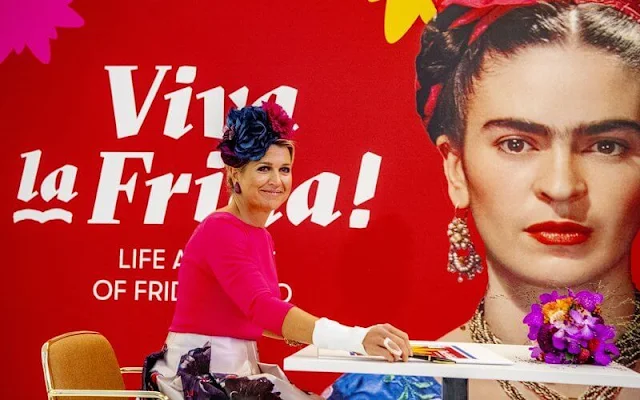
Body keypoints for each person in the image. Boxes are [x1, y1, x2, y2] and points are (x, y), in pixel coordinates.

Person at [326, 1, 640, 399]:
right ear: (456, 169)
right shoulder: (382, 393)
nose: (561, 186)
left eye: (607, 146)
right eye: (516, 143)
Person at [142, 100, 412, 400]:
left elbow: (261, 316)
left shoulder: (259, 236)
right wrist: (355, 337)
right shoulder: (220, 229)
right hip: (199, 380)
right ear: (234, 174)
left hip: (236, 374)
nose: (277, 180)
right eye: (263, 168)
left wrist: (335, 340)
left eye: (285, 169)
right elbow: (263, 309)